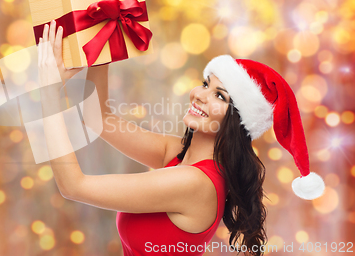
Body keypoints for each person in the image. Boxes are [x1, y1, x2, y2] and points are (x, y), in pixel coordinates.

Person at [37, 20, 325, 256]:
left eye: (219, 96)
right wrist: (103, 45)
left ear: (238, 122)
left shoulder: (194, 182)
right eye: (205, 84)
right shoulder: (177, 154)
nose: (199, 95)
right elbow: (99, 120)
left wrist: (49, 95)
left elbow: (73, 186)